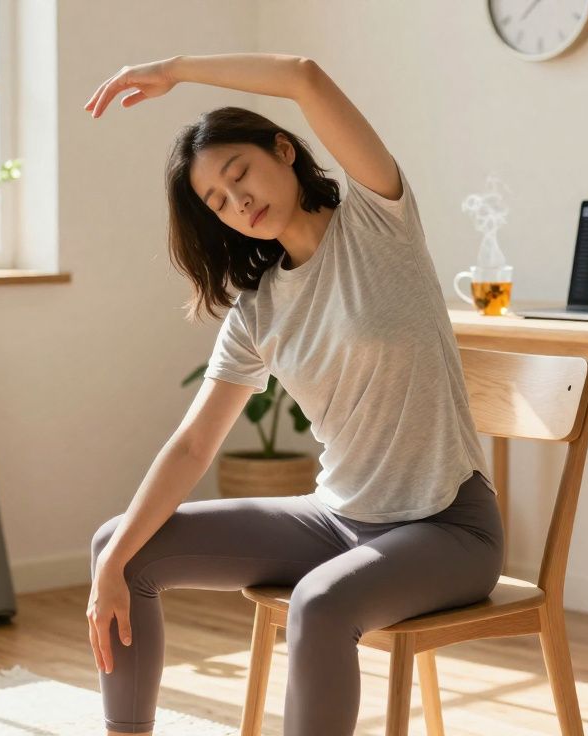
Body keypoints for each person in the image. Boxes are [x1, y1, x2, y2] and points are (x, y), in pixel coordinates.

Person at [82, 53, 504, 736]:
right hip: (338, 520)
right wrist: (110, 569)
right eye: (218, 201)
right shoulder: (259, 310)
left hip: (448, 527)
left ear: (284, 150)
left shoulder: (379, 221)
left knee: (322, 603)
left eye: (239, 173)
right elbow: (194, 445)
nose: (238, 201)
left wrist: (178, 70)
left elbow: (305, 77)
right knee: (119, 549)